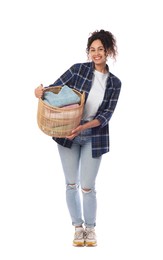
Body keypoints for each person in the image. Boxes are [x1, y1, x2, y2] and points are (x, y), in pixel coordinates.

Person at [34, 29, 121, 247]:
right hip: (67, 134)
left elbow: (106, 115)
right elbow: (54, 91)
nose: (96, 53)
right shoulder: (78, 70)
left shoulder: (115, 83)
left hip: (94, 136)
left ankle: (90, 229)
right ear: (88, 52)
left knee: (87, 186)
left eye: (101, 49)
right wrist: (40, 91)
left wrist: (84, 126)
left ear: (108, 51)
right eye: (92, 50)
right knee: (71, 184)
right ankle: (77, 228)